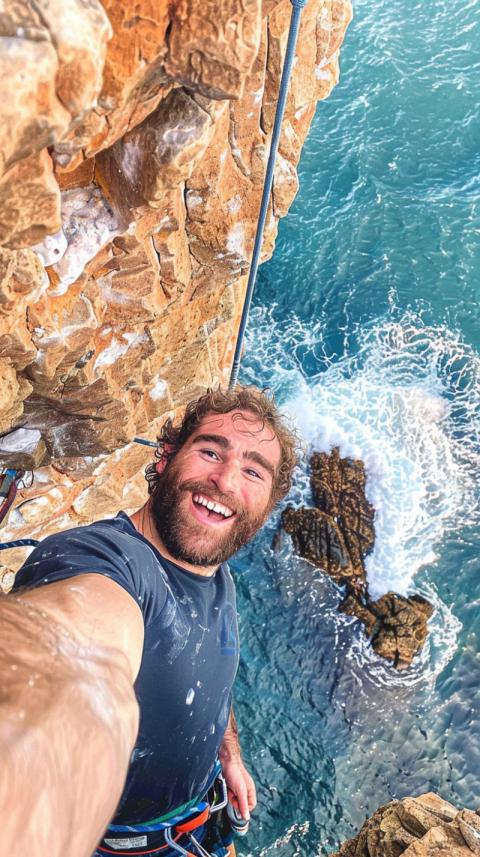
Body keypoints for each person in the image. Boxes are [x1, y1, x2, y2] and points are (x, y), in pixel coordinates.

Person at [1, 385, 299, 857]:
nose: (225, 480)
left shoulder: (217, 574)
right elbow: (74, 653)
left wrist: (228, 753)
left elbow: (209, 674)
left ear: (264, 509)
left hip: (204, 820)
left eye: (252, 471)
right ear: (165, 457)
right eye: (209, 451)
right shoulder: (102, 560)